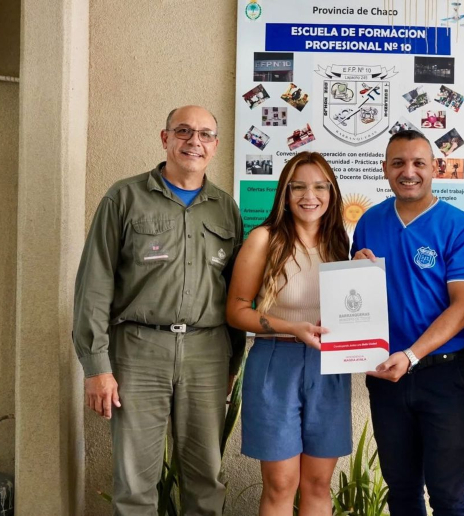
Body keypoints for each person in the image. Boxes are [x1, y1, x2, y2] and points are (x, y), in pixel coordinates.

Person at [72, 105, 245, 515]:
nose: (194, 141)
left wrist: (232, 363)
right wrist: (96, 367)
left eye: (205, 134)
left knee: (206, 480)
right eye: (183, 131)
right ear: (165, 138)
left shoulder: (225, 208)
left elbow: (235, 293)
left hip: (207, 354)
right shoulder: (124, 197)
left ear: (215, 145)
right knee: (135, 483)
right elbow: (94, 284)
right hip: (138, 350)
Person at [351, 130, 464, 516]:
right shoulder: (369, 223)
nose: (408, 172)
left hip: (446, 376)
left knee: (447, 493)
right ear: (385, 169)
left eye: (418, 163)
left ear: (436, 168)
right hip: (386, 376)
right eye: (398, 163)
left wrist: (411, 355)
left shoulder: (460, 227)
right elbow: (357, 300)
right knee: (401, 489)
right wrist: (355, 272)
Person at [226, 152, 351, 515]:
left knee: (318, 484)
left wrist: (364, 270)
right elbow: (236, 310)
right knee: (281, 484)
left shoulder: (341, 243)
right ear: (285, 193)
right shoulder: (264, 239)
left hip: (328, 365)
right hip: (274, 361)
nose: (309, 196)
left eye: (319, 187)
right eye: (298, 187)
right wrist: (291, 327)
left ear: (332, 193)